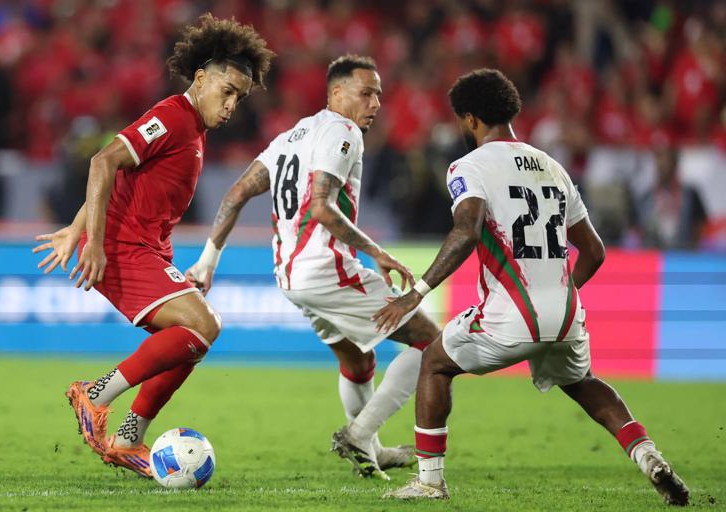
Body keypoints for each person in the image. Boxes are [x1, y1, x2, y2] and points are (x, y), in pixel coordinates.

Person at [374, 69, 689, 505]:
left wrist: (417, 292)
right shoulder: (551, 166)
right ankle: (649, 456)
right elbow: (594, 251)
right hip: (565, 313)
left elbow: (466, 231)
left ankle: (430, 482)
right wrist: (563, 291)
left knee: (435, 362)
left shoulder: (468, 166)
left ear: (470, 119)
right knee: (583, 383)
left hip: (511, 313)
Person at [32, 15, 275, 478]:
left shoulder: (193, 129)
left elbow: (120, 176)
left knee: (191, 342)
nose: (231, 105)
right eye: (226, 91)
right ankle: (94, 394)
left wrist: (76, 227)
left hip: (147, 249)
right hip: (123, 247)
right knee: (205, 324)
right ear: (200, 79)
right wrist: (93, 241)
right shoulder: (173, 117)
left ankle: (128, 439)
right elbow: (103, 161)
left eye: (239, 98)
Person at [185, 55, 441, 480]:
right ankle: (360, 433)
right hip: (326, 269)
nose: (375, 104)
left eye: (378, 95)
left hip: (290, 276)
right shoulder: (344, 132)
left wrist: (206, 261)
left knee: (357, 361)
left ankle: (371, 451)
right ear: (337, 93)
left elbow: (235, 194)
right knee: (433, 344)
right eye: (366, 93)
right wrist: (377, 252)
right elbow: (321, 207)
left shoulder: (290, 136)